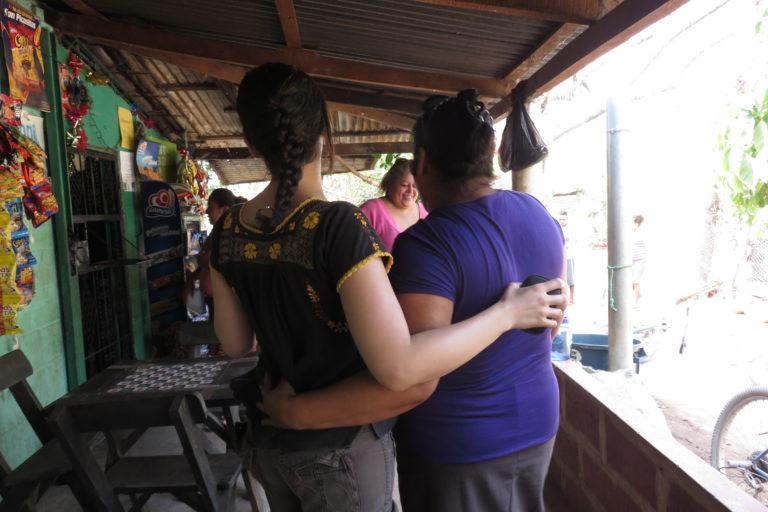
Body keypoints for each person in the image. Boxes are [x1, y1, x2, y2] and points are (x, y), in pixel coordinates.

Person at [209, 64, 566, 512]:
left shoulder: (223, 235)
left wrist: (293, 411)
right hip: (369, 446)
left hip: (280, 439)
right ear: (324, 134)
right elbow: (404, 374)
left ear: (250, 141)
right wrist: (509, 313)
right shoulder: (340, 226)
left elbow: (236, 342)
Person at [360, 158, 428, 250]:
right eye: (404, 185)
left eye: (415, 186)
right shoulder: (371, 210)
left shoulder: (426, 211)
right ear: (390, 183)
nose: (410, 191)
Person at [558, 210, 576, 303]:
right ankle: (565, 298)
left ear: (567, 219)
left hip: (569, 257)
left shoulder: (570, 230)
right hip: (561, 258)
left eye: (563, 219)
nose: (562, 221)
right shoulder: (558, 229)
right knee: (563, 279)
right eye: (560, 219)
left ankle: (572, 298)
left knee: (571, 279)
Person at [632, 214, 647, 304]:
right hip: (632, 261)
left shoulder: (642, 234)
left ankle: (637, 301)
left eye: (632, 223)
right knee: (632, 281)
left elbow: (647, 247)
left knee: (635, 281)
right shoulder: (632, 233)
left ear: (637, 224)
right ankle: (638, 295)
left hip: (640, 261)